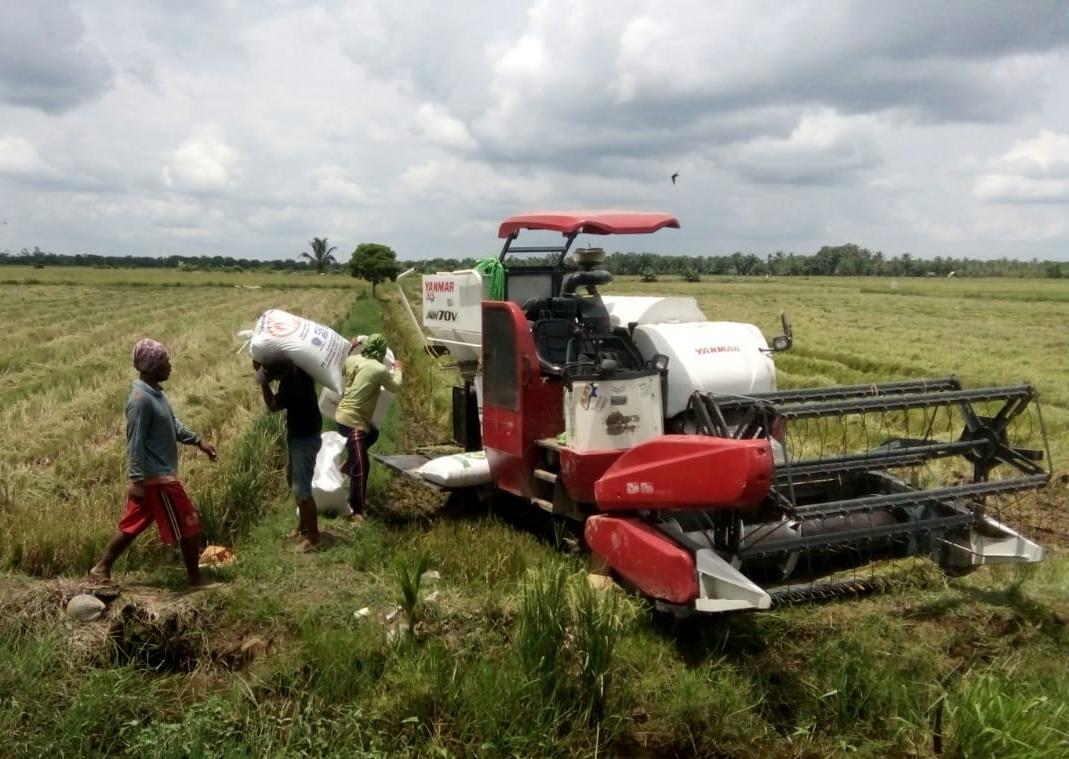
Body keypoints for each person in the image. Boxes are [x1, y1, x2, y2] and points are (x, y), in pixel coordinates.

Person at [90, 338, 219, 588]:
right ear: (151, 366)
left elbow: (173, 424)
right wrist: (136, 480)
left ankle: (101, 567)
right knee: (188, 523)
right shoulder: (140, 400)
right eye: (165, 362)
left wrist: (199, 442)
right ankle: (195, 578)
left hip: (157, 477)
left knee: (133, 525)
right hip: (157, 479)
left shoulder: (156, 394)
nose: (170, 366)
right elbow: (134, 442)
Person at [255, 353, 322, 551]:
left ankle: (314, 537)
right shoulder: (298, 369)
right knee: (293, 480)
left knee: (302, 488)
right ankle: (303, 526)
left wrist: (263, 383)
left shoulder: (294, 386)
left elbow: (273, 405)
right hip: (299, 434)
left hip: (305, 439)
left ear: (278, 374)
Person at [334, 333, 401, 523]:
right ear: (380, 351)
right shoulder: (379, 369)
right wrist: (398, 369)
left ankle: (348, 464)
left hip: (343, 417)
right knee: (362, 466)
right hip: (353, 422)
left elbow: (342, 363)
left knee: (373, 433)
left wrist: (351, 346)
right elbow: (395, 386)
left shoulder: (353, 360)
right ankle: (356, 511)